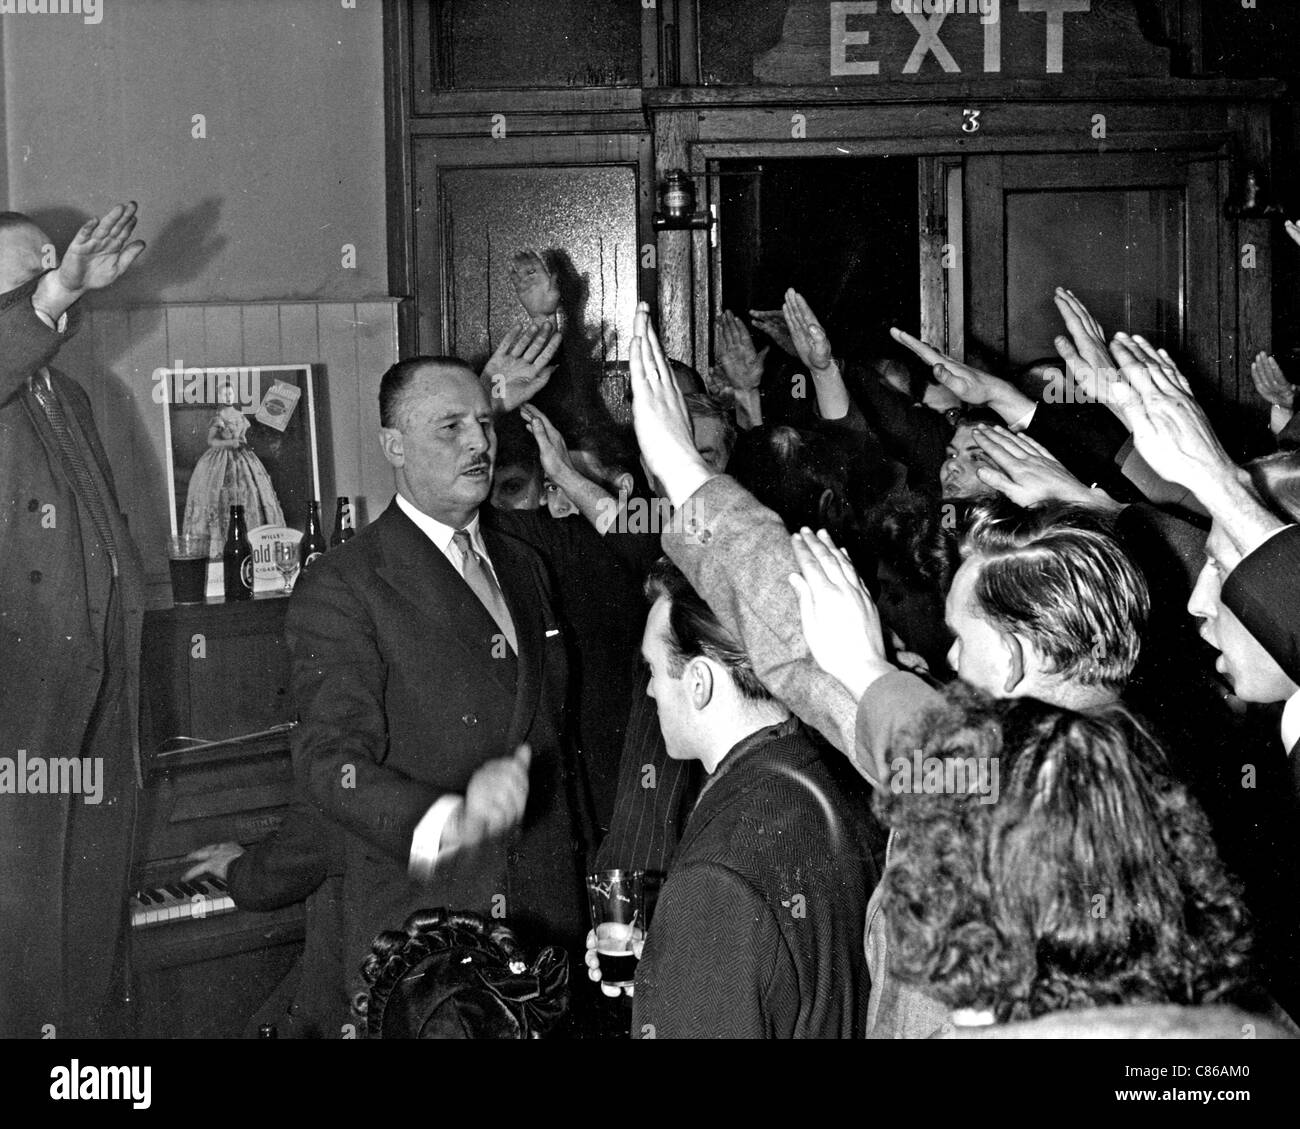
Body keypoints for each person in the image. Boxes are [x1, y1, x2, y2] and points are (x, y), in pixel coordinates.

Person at [279, 354, 589, 1036]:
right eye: (451, 426)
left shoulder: (526, 563)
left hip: (543, 939)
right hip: (432, 952)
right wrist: (444, 821)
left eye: (483, 422)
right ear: (394, 445)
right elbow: (330, 762)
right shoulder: (344, 584)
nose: (479, 442)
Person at [588, 558, 878, 1039]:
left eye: (655, 669)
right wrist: (670, 968)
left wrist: (689, 959)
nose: (650, 689)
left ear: (699, 682)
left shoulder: (713, 879)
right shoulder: (822, 777)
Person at [0, 203, 147, 1038]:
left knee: (85, 962)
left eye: (55, 259)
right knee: (24, 974)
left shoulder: (72, 397)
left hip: (97, 728)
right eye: (32, 265)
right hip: (19, 737)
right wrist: (55, 291)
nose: (58, 265)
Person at [182, 380, 285, 553]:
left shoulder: (240, 415)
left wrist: (242, 442)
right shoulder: (219, 417)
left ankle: (253, 545)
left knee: (251, 494)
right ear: (220, 396)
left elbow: (243, 438)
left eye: (230, 393)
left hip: (243, 459)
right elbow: (212, 441)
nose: (228, 396)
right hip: (219, 460)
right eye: (224, 394)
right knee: (217, 497)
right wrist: (231, 442)